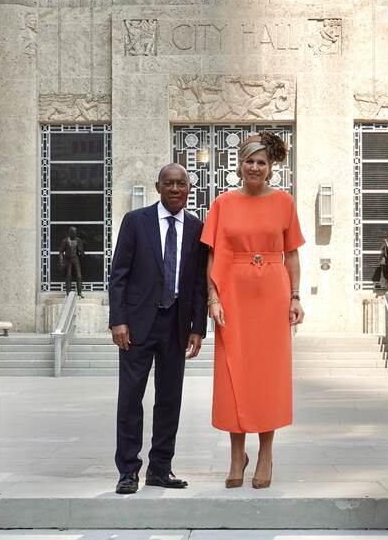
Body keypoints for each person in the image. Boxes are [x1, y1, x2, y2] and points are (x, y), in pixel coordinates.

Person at [201, 132, 305, 490]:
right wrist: (212, 299)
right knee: (233, 374)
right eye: (249, 161)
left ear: (271, 167)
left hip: (272, 295)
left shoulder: (284, 202)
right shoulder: (223, 204)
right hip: (233, 294)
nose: (255, 167)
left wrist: (295, 296)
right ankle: (235, 455)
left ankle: (265, 454)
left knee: (267, 375)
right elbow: (213, 254)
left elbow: (291, 253)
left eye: (262, 161)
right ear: (240, 165)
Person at [108, 163, 208, 495]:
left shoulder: (197, 228)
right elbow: (119, 274)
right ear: (158, 186)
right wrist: (118, 320)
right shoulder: (136, 222)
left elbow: (197, 283)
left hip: (176, 326)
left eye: (182, 184)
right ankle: (128, 471)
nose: (176, 189)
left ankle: (160, 468)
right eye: (169, 183)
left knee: (169, 399)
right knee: (130, 398)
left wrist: (197, 327)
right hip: (136, 326)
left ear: (189, 188)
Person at [58, 226, 84, 297]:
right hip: (68, 260)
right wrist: (61, 260)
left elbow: (82, 251)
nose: (74, 233)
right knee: (68, 276)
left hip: (76, 259)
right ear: (70, 232)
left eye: (75, 232)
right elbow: (60, 252)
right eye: (72, 232)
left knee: (79, 276)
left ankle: (79, 293)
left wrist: (81, 252)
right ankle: (68, 293)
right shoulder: (65, 240)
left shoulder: (78, 240)